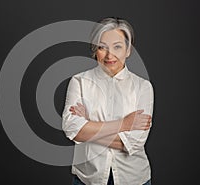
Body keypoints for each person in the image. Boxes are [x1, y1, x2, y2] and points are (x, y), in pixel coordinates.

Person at [62, 17, 154, 185]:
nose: (109, 55)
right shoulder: (79, 81)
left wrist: (89, 125)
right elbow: (72, 129)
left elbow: (133, 142)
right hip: (87, 179)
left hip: (133, 178)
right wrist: (123, 124)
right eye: (102, 47)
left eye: (117, 47)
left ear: (128, 50)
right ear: (95, 50)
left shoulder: (143, 87)